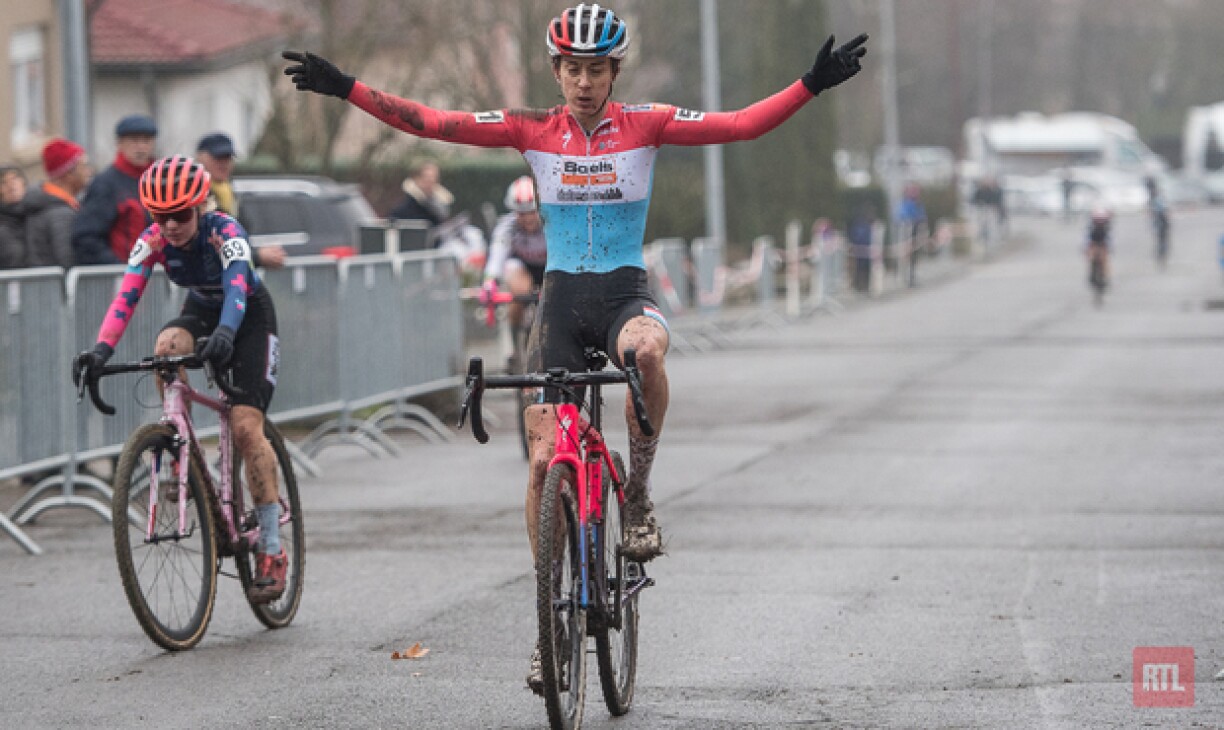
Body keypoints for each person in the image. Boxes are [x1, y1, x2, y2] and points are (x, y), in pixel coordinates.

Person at [285, 3, 867, 690]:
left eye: (596, 69)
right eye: (572, 69)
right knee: (541, 466)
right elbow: (435, 123)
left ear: (613, 71)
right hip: (560, 303)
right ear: (556, 70)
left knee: (647, 351)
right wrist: (348, 86)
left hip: (622, 293)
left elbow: (738, 125)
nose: (584, 82)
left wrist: (810, 83)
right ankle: (547, 623)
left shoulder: (646, 124)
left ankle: (640, 493)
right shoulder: (531, 129)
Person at [71, 155, 287, 603]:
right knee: (166, 347)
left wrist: (227, 332)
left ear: (200, 206)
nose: (169, 226)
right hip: (203, 311)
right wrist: (101, 351)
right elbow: (125, 297)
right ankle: (178, 455)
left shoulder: (225, 232)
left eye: (179, 215)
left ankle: (271, 548)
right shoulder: (152, 240)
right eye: (160, 216)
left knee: (247, 428)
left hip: (247, 316)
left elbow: (236, 289)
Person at [73, 114, 158, 265]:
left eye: (146, 140)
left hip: (158, 275)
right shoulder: (105, 184)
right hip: (122, 277)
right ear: (119, 143)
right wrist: (119, 269)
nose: (141, 147)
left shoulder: (161, 180)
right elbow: (87, 237)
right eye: (134, 141)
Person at [196, 132, 287, 269]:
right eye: (218, 158)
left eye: (228, 158)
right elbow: (209, 248)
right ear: (201, 158)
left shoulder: (229, 192)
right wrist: (258, 257)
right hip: (209, 284)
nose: (224, 164)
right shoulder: (195, 197)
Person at [483, 175, 547, 332]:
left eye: (532, 212)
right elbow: (498, 253)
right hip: (522, 266)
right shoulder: (507, 226)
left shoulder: (552, 224)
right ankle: (514, 340)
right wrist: (490, 280)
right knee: (520, 291)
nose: (528, 219)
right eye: (521, 213)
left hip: (548, 266)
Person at [22, 138, 92, 269]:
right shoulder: (61, 213)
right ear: (69, 174)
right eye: (83, 166)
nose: (88, 171)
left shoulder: (46, 204)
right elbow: (67, 261)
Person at [390, 161, 450, 227]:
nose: (430, 181)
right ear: (417, 179)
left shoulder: (441, 208)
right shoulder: (403, 210)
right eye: (427, 177)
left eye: (433, 178)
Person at [896, 183, 927, 286]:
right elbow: (902, 216)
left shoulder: (918, 205)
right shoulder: (906, 204)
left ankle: (911, 276)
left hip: (915, 233)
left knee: (914, 256)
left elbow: (922, 217)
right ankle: (905, 277)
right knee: (906, 256)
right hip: (907, 234)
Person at [0, 166, 28, 269]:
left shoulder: (35, 216)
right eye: (3, 182)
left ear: (23, 183)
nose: (10, 185)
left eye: (14, 178)